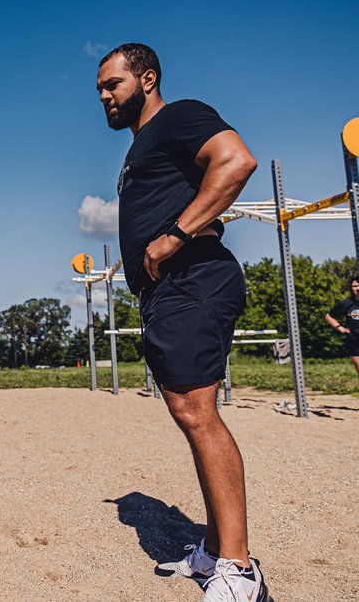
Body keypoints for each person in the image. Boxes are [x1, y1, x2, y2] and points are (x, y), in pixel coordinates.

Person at [97, 44, 271, 602]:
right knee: (186, 411)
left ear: (147, 79)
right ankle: (215, 550)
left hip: (194, 280)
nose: (104, 96)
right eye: (100, 89)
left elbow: (236, 160)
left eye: (113, 85)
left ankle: (240, 570)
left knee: (197, 412)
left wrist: (177, 231)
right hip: (168, 292)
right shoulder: (141, 145)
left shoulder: (178, 115)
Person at [325, 276, 359, 375]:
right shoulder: (346, 303)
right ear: (351, 288)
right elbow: (328, 316)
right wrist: (341, 328)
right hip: (354, 341)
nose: (358, 288)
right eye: (355, 286)